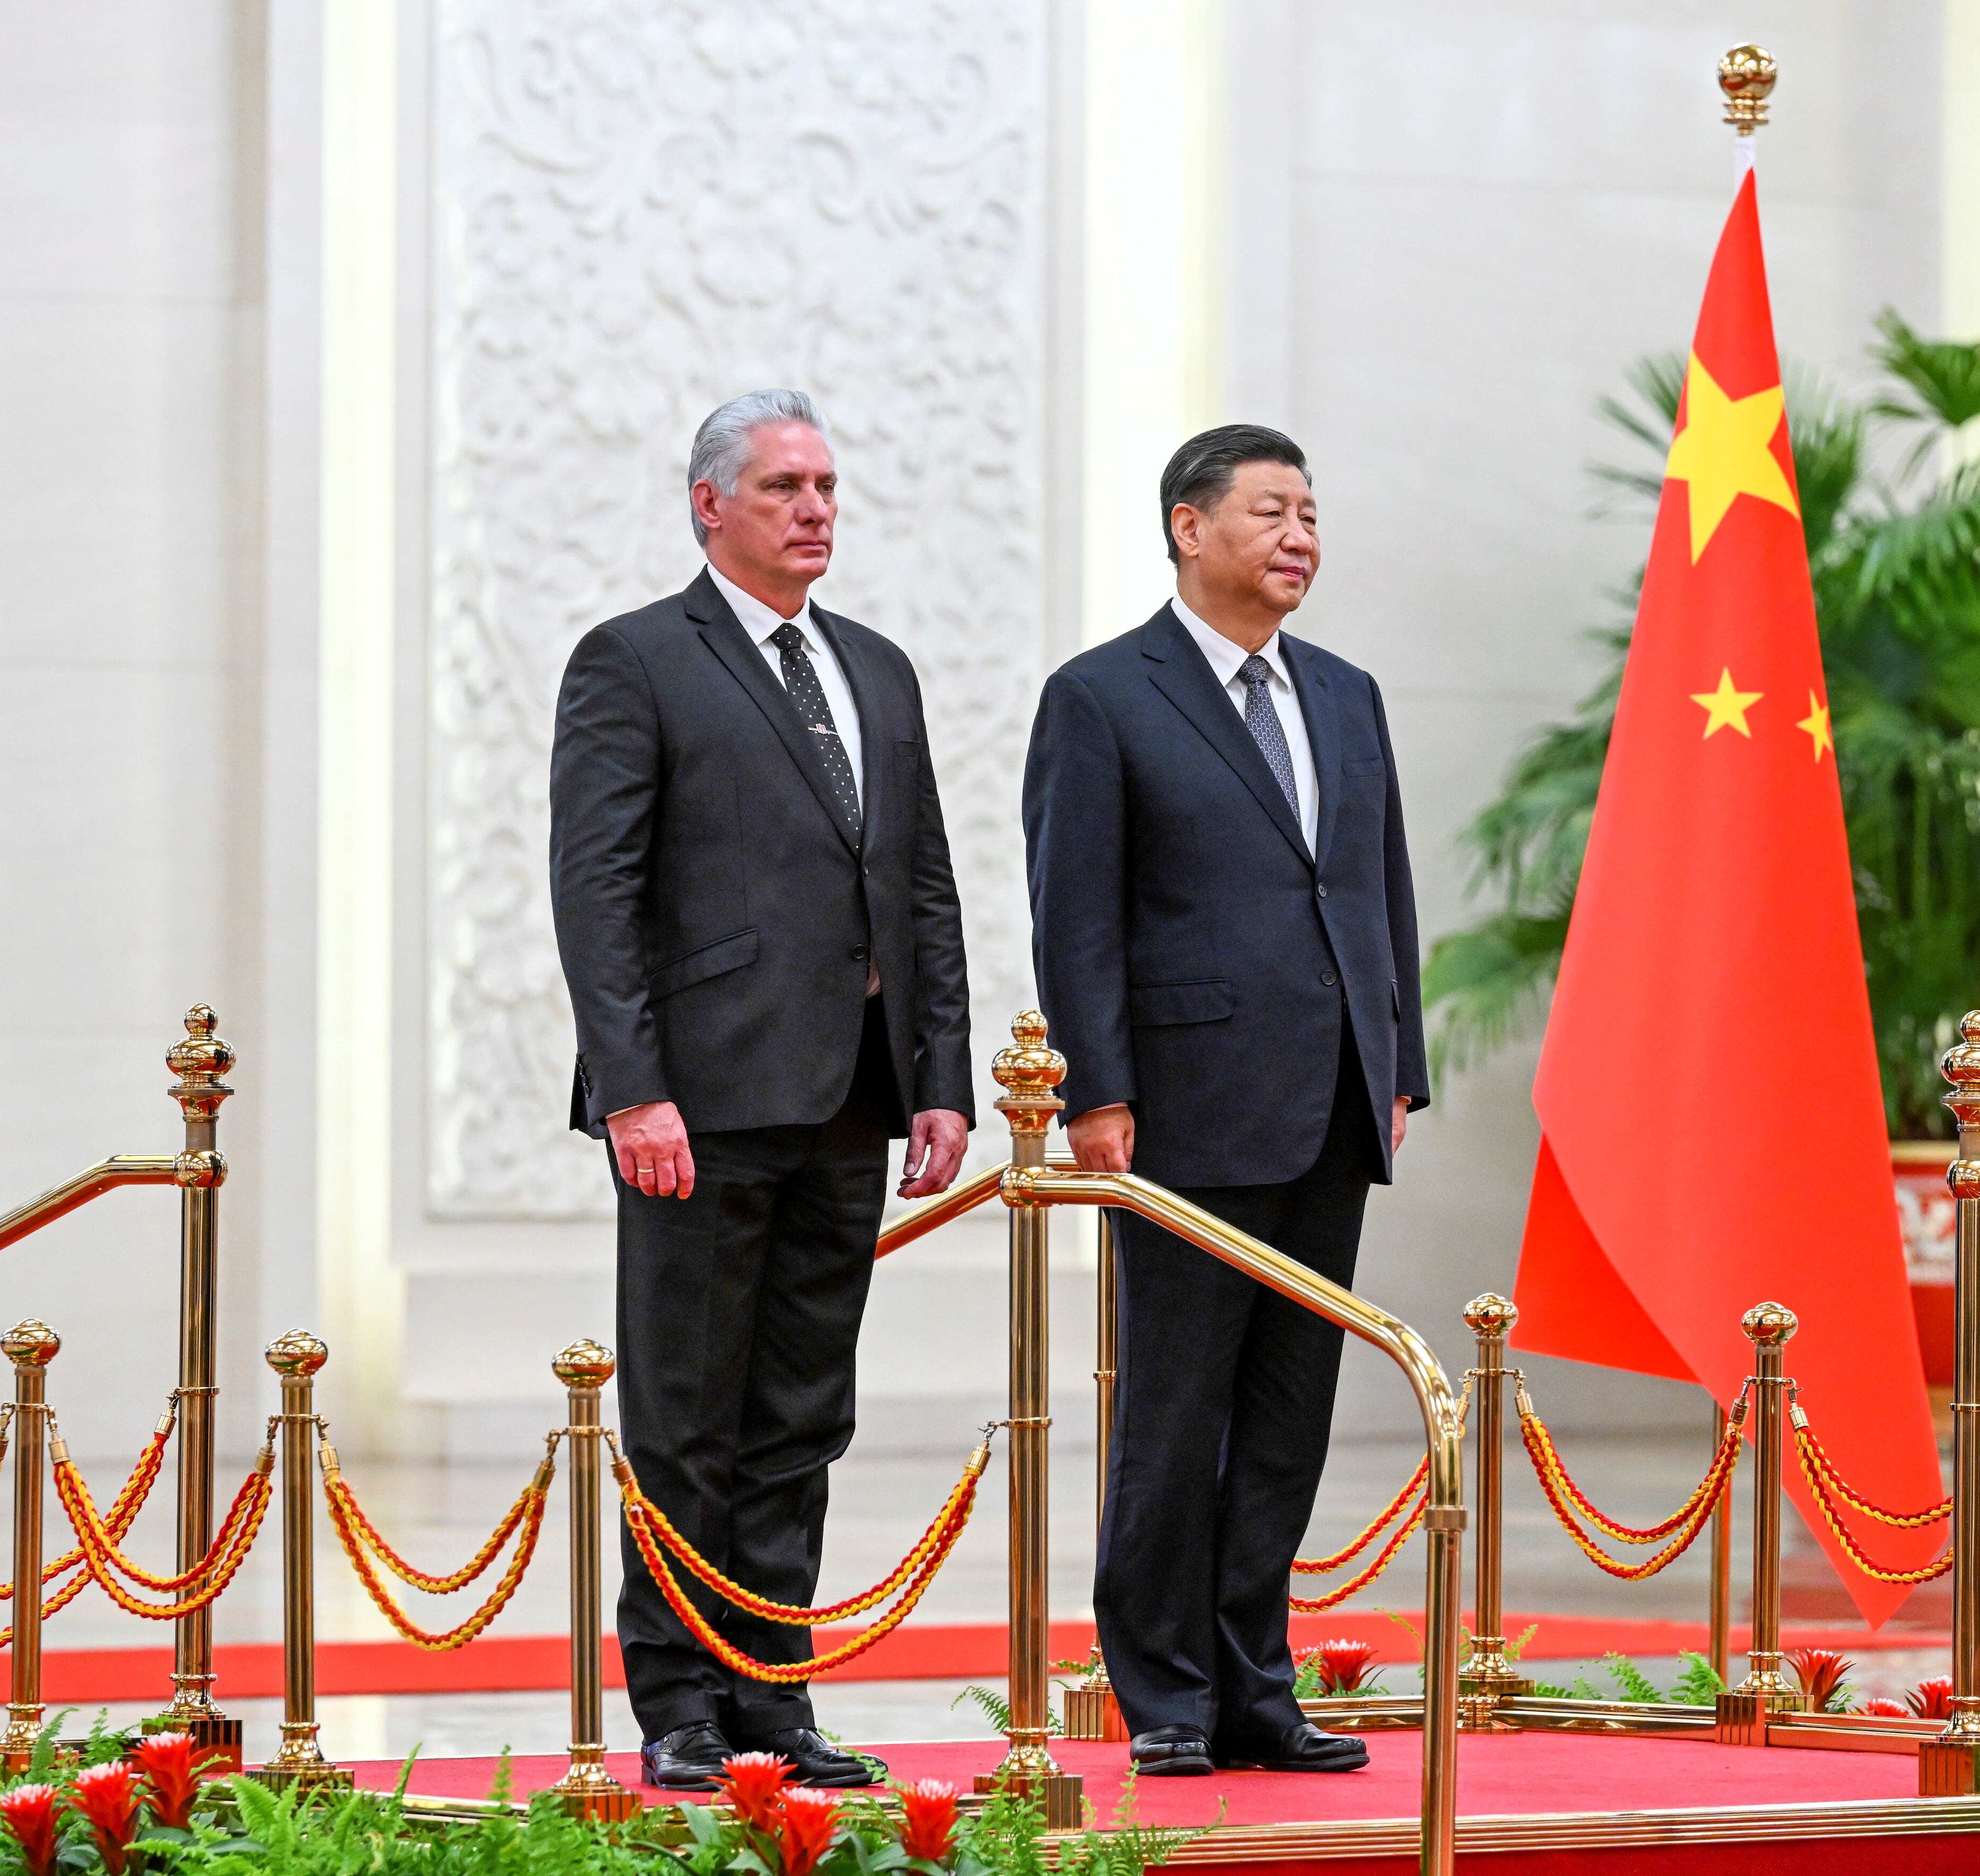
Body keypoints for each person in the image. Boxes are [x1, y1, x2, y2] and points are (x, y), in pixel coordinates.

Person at [549, 389, 973, 1791]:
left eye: (829, 485)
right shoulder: (634, 662)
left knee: (801, 1412)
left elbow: (919, 886)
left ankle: (771, 1694)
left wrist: (940, 1080)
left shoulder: (880, 669)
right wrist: (632, 1087)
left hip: (852, 1097)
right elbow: (597, 892)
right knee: (686, 1412)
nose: (815, 508)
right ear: (708, 504)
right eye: (786, 484)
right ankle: (675, 1701)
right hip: (700, 1104)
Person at [1021, 423, 1428, 1777]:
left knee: (1285, 1411)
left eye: (1311, 512)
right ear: (1191, 528)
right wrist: (1097, 1088)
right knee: (1175, 1408)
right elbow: (1073, 912)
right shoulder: (1104, 696)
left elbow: (1377, 893)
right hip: (1181, 1108)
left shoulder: (1348, 692)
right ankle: (1168, 1696)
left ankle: (1259, 1682)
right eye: (1272, 511)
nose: (1300, 535)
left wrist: (1399, 1061)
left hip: (1330, 1104)